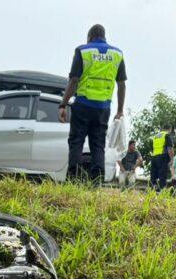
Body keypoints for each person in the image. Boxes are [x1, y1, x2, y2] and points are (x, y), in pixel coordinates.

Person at [59, 24, 126, 183]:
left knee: (76, 141)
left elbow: (74, 80)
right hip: (103, 108)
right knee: (98, 144)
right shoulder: (117, 54)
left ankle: (73, 178)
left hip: (83, 104)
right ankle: (97, 180)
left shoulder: (83, 51)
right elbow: (121, 84)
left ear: (90, 37)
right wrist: (120, 110)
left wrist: (63, 104)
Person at [149, 125, 174, 191]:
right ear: (170, 129)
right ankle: (162, 192)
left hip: (154, 157)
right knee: (162, 176)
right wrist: (172, 159)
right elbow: (170, 148)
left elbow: (152, 148)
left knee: (153, 176)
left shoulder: (155, 136)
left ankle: (153, 191)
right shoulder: (167, 135)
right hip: (163, 157)